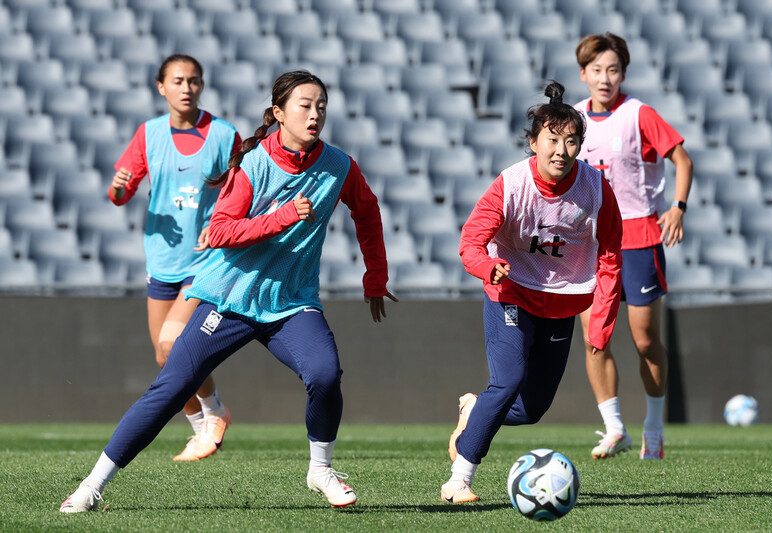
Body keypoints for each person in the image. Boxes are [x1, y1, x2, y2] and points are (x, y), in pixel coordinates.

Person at [60, 69, 397, 512]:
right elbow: (219, 231)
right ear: (278, 113)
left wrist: (375, 277)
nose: (315, 115)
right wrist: (282, 217)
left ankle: (321, 470)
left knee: (325, 374)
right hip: (230, 300)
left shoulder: (338, 165)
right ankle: (92, 485)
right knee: (171, 386)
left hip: (291, 304)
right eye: (304, 105)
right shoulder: (253, 162)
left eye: (321, 107)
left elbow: (368, 212)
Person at [442, 81, 623, 503]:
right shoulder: (510, 184)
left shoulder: (595, 188)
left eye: (572, 141)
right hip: (511, 293)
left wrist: (601, 321)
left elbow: (612, 253)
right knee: (507, 382)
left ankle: (473, 409)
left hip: (562, 304)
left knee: (531, 409)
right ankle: (460, 478)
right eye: (552, 140)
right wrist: (489, 267)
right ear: (533, 142)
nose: (561, 150)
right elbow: (471, 242)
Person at [108, 54, 242, 462]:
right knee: (164, 358)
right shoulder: (148, 135)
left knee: (172, 347)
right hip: (162, 260)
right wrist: (119, 187)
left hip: (204, 262)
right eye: (178, 81)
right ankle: (202, 426)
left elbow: (244, 192)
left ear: (202, 86)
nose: (187, 88)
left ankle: (215, 413)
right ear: (161, 87)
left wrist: (223, 223)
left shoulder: (223, 135)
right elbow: (120, 195)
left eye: (194, 81)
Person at [573, 33, 693, 460]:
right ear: (583, 73)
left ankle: (654, 428)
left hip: (640, 237)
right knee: (594, 339)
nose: (605, 78)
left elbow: (682, 159)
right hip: (588, 243)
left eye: (613, 70)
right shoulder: (572, 120)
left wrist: (677, 207)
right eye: (597, 70)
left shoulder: (639, 114)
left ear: (623, 73)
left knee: (645, 341)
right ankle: (614, 428)